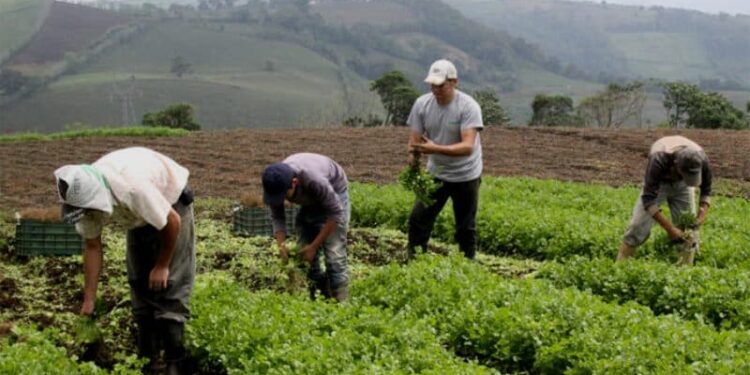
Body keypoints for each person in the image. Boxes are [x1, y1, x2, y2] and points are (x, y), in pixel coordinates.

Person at [54, 147, 195, 375]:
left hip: (171, 205)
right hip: (137, 218)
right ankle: (147, 360)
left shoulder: (132, 189)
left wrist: (161, 265)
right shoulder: (82, 199)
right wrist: (89, 300)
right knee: (139, 280)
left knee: (170, 284)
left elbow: (172, 222)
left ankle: (174, 361)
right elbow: (92, 246)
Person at [406, 59, 484, 260]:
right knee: (418, 220)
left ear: (454, 82)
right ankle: (415, 264)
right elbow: (414, 141)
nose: (436, 90)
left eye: (440, 85)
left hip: (466, 175)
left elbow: (467, 146)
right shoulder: (422, 104)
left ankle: (467, 267)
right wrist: (413, 163)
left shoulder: (468, 107)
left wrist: (434, 148)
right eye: (432, 85)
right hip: (436, 173)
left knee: (465, 227)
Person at [262, 153, 350, 301]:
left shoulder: (314, 180)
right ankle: (319, 295)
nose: (282, 199)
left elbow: (335, 214)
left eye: (284, 195)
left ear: (294, 182)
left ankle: (342, 304)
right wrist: (281, 246)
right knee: (304, 255)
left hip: (335, 191)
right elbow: (277, 216)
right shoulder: (274, 182)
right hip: (310, 196)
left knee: (334, 256)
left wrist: (314, 246)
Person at [617, 135, 712, 265]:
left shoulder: (702, 159)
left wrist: (700, 217)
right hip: (659, 184)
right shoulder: (659, 159)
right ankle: (621, 265)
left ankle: (685, 271)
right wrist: (670, 229)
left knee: (689, 232)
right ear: (676, 165)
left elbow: (706, 190)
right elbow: (649, 200)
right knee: (637, 226)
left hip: (683, 187)